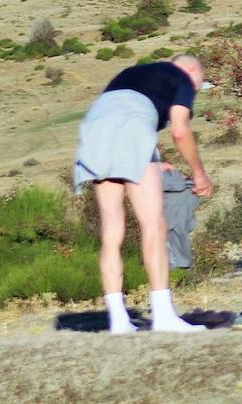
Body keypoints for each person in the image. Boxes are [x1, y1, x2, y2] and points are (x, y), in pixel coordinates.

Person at [73, 55, 213, 334]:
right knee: (154, 224)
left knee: (112, 229)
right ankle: (163, 317)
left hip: (95, 131)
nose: (194, 92)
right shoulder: (181, 77)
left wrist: (154, 161)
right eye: (198, 86)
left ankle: (118, 321)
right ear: (192, 70)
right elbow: (180, 131)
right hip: (132, 129)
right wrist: (199, 172)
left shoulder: (129, 73)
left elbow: (116, 119)